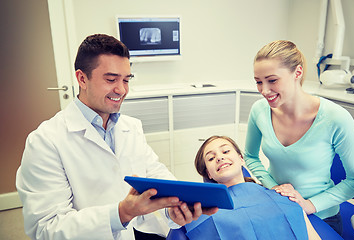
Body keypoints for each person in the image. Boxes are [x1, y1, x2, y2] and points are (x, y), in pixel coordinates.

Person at [15, 34, 217, 240]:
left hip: (144, 232)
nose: (121, 89)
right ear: (82, 78)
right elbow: (46, 228)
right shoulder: (45, 141)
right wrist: (121, 213)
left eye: (126, 80)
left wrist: (174, 207)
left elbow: (156, 174)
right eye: (111, 79)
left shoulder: (131, 127)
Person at [244, 40, 354, 235]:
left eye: (272, 80)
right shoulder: (259, 110)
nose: (264, 91)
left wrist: (309, 205)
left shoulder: (336, 118)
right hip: (278, 207)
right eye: (259, 82)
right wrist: (274, 187)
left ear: (298, 73)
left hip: (320, 215)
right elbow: (250, 157)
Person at [182, 135, 321, 240]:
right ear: (209, 174)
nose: (219, 158)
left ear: (241, 159)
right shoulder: (203, 213)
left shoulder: (281, 195)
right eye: (211, 158)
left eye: (225, 151)